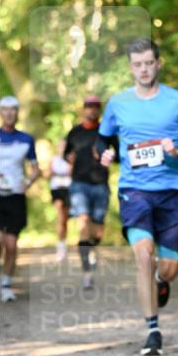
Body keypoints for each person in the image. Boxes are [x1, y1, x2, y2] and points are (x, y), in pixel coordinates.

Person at [96, 39, 178, 356]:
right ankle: (153, 330)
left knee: (169, 268)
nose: (143, 69)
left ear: (158, 64)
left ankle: (161, 278)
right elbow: (102, 140)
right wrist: (105, 154)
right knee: (143, 255)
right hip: (134, 190)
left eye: (148, 63)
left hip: (172, 192)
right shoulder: (118, 103)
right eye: (137, 64)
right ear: (131, 68)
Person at [64, 96, 116, 289]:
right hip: (79, 184)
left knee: (98, 230)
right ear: (84, 109)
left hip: (100, 184)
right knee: (84, 222)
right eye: (89, 106)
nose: (92, 110)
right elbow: (66, 153)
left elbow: (119, 155)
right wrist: (69, 158)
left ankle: (91, 249)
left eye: (96, 107)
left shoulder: (106, 133)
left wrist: (111, 156)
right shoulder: (75, 132)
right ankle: (87, 272)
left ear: (99, 110)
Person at [0, 96, 41, 302]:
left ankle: (6, 284)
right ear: (0, 112)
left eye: (12, 110)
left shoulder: (26, 139)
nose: (9, 113)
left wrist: (28, 182)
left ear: (17, 113)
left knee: (11, 244)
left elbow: (35, 168)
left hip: (16, 196)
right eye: (5, 109)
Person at [47, 139, 72, 262]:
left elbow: (73, 172)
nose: (63, 148)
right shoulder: (54, 159)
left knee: (66, 220)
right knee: (61, 218)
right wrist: (52, 172)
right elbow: (47, 174)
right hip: (57, 190)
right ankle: (61, 247)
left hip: (69, 190)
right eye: (61, 146)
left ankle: (65, 244)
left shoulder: (71, 159)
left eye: (65, 146)